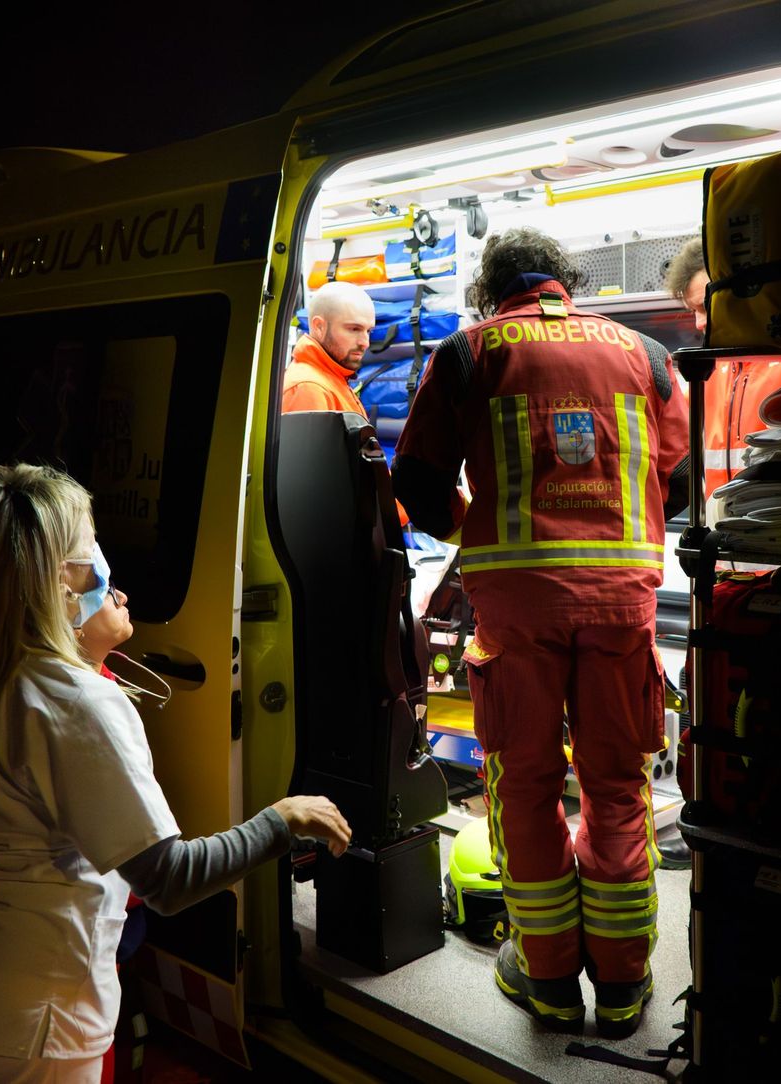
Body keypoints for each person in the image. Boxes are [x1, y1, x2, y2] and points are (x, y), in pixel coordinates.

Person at [0, 463, 352, 1083]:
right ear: (57, 583)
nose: (111, 575)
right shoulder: (76, 704)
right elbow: (167, 879)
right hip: (27, 1020)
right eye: (92, 556)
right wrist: (282, 819)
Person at [392, 228, 690, 1038]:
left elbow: (415, 483)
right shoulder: (650, 357)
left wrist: (472, 527)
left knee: (522, 788)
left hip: (516, 610)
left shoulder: (467, 352)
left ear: (493, 290)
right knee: (619, 790)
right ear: (567, 284)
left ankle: (550, 978)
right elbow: (682, 479)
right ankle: (625, 989)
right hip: (621, 608)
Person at [664, 236, 781, 489]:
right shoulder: (707, 373)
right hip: (719, 520)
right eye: (692, 311)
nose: (699, 323)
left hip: (779, 521)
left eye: (706, 307)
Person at [281, 279, 375, 413]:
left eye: (369, 331)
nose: (365, 343)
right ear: (319, 327)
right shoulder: (309, 388)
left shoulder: (330, 377)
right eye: (354, 329)